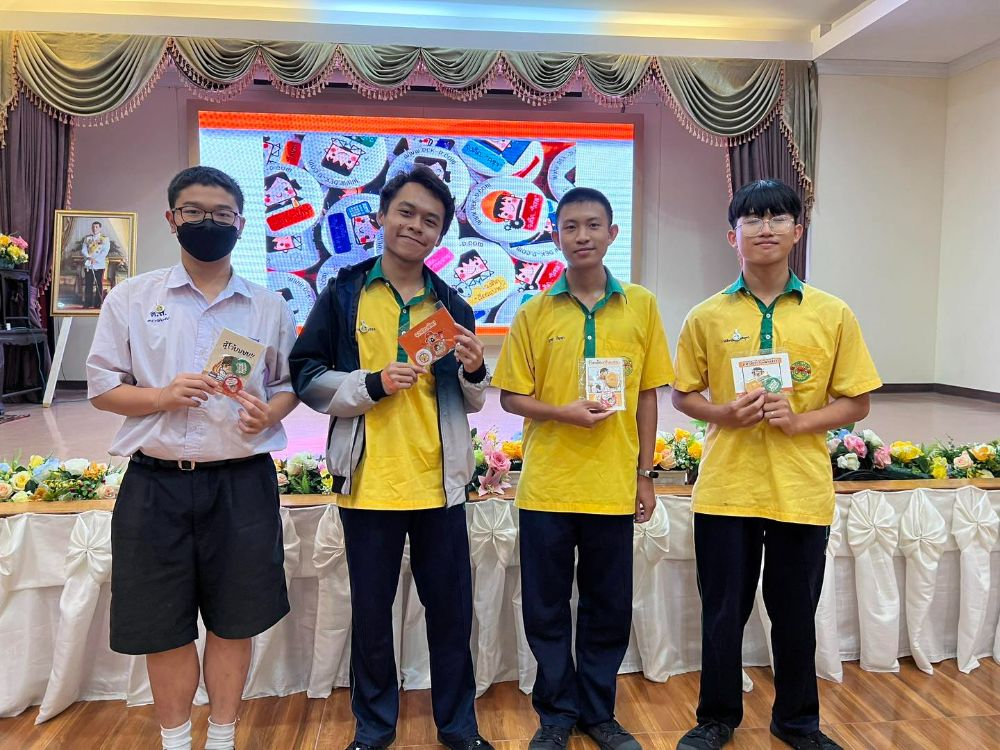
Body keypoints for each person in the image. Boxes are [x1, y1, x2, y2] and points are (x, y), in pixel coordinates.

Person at [86, 165, 299, 750]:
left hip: (242, 484)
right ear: (172, 219)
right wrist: (160, 396)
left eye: (222, 214)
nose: (209, 223)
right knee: (164, 626)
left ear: (241, 224)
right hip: (155, 486)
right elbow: (102, 386)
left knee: (235, 621)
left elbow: (288, 384)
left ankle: (223, 737)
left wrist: (270, 413)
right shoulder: (133, 298)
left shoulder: (267, 305)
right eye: (195, 212)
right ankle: (176, 741)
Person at [671, 179, 882, 750]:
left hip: (800, 490)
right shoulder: (706, 316)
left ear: (797, 231)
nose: (765, 228)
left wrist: (802, 420)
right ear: (732, 235)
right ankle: (716, 719)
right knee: (722, 614)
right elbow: (683, 394)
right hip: (726, 490)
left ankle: (797, 722)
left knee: (794, 615)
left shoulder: (832, 313)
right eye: (753, 219)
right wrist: (723, 413)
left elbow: (857, 401)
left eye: (778, 218)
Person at [289, 166, 493, 750]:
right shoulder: (344, 294)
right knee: (372, 618)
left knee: (451, 616)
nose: (416, 226)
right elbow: (307, 377)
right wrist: (371, 384)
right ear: (381, 216)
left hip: (439, 487)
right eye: (406, 212)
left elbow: (471, 399)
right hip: (369, 484)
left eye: (430, 221)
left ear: (441, 235)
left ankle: (459, 728)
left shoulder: (451, 304)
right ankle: (374, 729)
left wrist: (476, 368)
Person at [492, 187, 674, 750]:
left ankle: (599, 713)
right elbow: (511, 397)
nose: (582, 236)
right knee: (546, 608)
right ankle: (555, 713)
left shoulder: (641, 305)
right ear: (555, 236)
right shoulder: (533, 311)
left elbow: (648, 395)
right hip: (547, 487)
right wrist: (561, 412)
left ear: (612, 233)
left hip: (612, 485)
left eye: (593, 225)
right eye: (570, 227)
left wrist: (644, 475)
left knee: (607, 607)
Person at [82, 220, 111, 307]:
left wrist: (96, 260)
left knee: (99, 284)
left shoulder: (105, 239)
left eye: (96, 227)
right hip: (89, 265)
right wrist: (88, 257)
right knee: (88, 284)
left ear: (100, 228)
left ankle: (98, 303)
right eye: (93, 227)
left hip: (99, 265)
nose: (94, 229)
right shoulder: (87, 238)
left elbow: (105, 251)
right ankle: (87, 303)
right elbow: (84, 249)